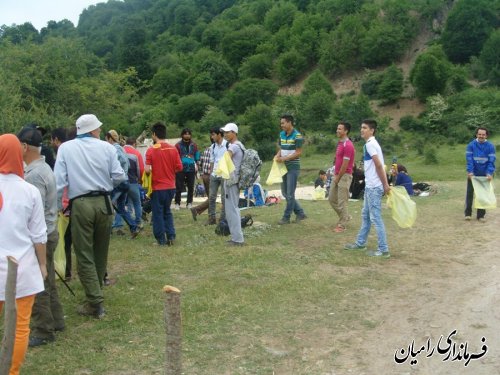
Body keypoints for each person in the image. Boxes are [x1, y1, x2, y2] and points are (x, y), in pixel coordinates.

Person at [54, 114, 127, 318]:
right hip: (104, 202)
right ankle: (96, 294)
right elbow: (120, 176)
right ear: (93, 130)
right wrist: (105, 187)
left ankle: (94, 301)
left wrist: (58, 206)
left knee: (84, 252)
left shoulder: (65, 148)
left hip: (81, 203)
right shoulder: (107, 147)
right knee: (100, 251)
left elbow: (59, 181)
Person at [0, 134, 48, 374]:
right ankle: (12, 371)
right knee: (20, 326)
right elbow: (39, 235)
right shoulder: (29, 191)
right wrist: (43, 266)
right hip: (22, 268)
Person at [17, 127, 65, 348]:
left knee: (38, 282)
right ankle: (56, 319)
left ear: (25, 147)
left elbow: (32, 211)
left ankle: (43, 328)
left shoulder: (34, 175)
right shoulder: (44, 167)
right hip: (50, 230)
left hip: (41, 235)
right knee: (49, 280)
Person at [344, 119, 390, 258]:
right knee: (366, 216)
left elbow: (379, 166)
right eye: (361, 127)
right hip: (371, 187)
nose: (362, 130)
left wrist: (385, 184)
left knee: (375, 218)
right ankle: (360, 243)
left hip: (374, 187)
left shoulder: (370, 145)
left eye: (365, 128)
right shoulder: (371, 144)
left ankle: (383, 250)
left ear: (372, 130)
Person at [145, 122, 183, 246]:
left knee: (158, 213)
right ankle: (171, 236)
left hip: (158, 187)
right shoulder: (173, 149)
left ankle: (161, 240)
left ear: (154, 135)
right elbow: (179, 167)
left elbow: (146, 170)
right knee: (167, 211)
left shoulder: (151, 150)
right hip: (171, 187)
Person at [105, 130, 140, 240]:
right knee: (121, 208)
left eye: (106, 138)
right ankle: (133, 227)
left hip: (119, 182)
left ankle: (106, 230)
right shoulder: (122, 148)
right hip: (125, 181)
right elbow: (128, 164)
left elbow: (121, 162)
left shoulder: (114, 148)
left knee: (107, 205)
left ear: (110, 138)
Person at [275, 114, 307, 224]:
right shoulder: (281, 134)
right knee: (284, 193)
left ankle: (286, 217)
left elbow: (298, 153)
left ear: (289, 123)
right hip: (283, 167)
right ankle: (300, 213)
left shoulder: (297, 136)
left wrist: (284, 158)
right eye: (281, 123)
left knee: (290, 193)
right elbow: (281, 148)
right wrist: (277, 156)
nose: (281, 125)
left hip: (293, 167)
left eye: (283, 123)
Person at [220, 122, 245, 246]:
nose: (225, 134)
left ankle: (237, 239)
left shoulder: (234, 147)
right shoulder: (240, 145)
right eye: (224, 132)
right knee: (233, 208)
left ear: (234, 133)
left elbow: (226, 159)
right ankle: (236, 237)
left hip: (231, 180)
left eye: (227, 132)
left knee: (232, 210)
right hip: (235, 180)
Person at [465, 127, 496, 222]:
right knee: (470, 194)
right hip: (473, 175)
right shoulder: (471, 145)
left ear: (486, 135)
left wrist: (489, 173)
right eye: (479, 134)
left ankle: (481, 216)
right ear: (476, 134)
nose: (481, 136)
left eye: (483, 134)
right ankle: (468, 214)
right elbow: (469, 160)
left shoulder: (490, 146)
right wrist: (470, 171)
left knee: (482, 195)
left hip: (485, 175)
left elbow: (491, 161)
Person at [329, 122, 355, 233]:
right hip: (337, 174)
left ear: (346, 131)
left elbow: (345, 164)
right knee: (331, 199)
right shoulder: (340, 143)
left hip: (344, 175)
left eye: (340, 129)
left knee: (342, 201)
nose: (337, 130)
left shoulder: (348, 145)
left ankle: (342, 224)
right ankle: (346, 216)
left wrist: (338, 177)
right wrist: (335, 175)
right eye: (337, 128)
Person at [206, 127, 228, 225]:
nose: (212, 137)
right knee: (211, 197)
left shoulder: (227, 145)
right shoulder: (213, 147)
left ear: (219, 134)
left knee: (224, 197)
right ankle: (211, 218)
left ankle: (223, 219)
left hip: (224, 174)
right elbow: (212, 160)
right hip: (215, 174)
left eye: (213, 134)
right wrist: (211, 173)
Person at [174, 128, 200, 210]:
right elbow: (175, 156)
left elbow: (197, 155)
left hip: (191, 169)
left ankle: (189, 203)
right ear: (182, 135)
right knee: (178, 186)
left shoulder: (194, 145)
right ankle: (177, 203)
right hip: (180, 168)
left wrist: (197, 164)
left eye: (189, 134)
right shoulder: (177, 145)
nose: (187, 135)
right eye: (185, 133)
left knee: (191, 186)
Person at [190, 139, 212, 221]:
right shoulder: (215, 151)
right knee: (212, 198)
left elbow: (199, 163)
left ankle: (210, 216)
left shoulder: (206, 150)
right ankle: (196, 209)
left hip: (204, 176)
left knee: (210, 197)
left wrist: (201, 173)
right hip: (211, 176)